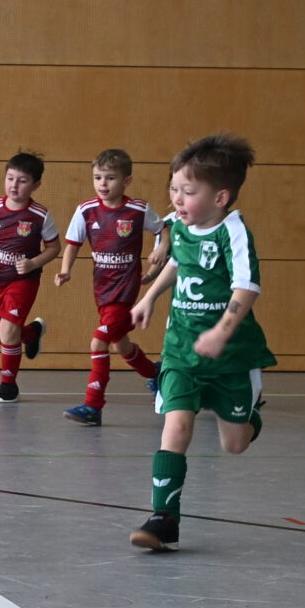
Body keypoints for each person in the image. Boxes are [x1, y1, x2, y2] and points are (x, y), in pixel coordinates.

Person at [127, 134, 275, 552]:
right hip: (181, 350)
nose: (177, 198)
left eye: (188, 191)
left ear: (220, 197)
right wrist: (149, 297)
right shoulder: (179, 226)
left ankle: (250, 414)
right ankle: (164, 518)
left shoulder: (234, 232)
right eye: (174, 188)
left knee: (235, 444)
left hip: (230, 356)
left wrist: (221, 331)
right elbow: (178, 262)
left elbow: (246, 287)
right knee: (176, 426)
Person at [54, 148, 167, 426]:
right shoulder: (86, 210)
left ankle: (93, 406)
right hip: (102, 292)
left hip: (125, 293)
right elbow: (73, 243)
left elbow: (164, 229)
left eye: (110, 178)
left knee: (99, 341)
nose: (103, 183)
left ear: (126, 181)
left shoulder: (138, 210)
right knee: (121, 344)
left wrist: (161, 248)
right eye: (98, 177)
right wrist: (65, 270)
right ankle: (155, 374)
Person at [0, 150, 55, 404]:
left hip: (23, 281)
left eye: (22, 181)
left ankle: (8, 386)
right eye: (10, 178)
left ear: (36, 185)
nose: (14, 185)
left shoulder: (40, 215)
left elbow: (54, 247)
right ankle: (31, 333)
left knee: (8, 331)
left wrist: (33, 263)